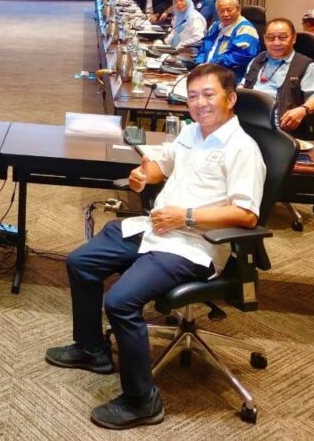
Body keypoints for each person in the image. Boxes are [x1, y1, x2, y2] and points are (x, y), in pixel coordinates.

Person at [46, 62, 265, 430]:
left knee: (120, 301)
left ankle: (142, 401)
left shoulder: (243, 149)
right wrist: (144, 174)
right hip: (158, 226)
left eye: (208, 95)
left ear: (230, 99)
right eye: (193, 96)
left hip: (193, 244)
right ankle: (92, 349)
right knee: (81, 262)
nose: (199, 103)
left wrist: (187, 217)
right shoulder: (192, 132)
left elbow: (246, 215)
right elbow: (163, 164)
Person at [241, 18, 314, 139]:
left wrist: (302, 110)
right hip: (248, 120)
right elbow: (243, 85)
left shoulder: (305, 65)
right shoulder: (258, 59)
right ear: (264, 39)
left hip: (279, 126)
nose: (276, 43)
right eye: (271, 38)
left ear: (293, 38)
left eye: (282, 37)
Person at [197, 0, 260, 81]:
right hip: (207, 71)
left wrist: (211, 64)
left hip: (229, 75)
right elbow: (204, 48)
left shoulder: (246, 29)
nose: (225, 14)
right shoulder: (215, 26)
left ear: (238, 9)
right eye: (221, 11)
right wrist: (199, 63)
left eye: (229, 10)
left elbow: (240, 56)